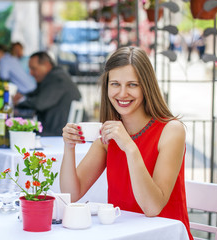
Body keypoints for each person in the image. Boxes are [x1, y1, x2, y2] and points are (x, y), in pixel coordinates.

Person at [60, 46, 193, 239]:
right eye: (115, 84)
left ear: (146, 86)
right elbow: (72, 194)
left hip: (163, 234)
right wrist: (69, 147)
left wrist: (130, 147)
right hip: (123, 234)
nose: (122, 93)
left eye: (132, 85)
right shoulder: (107, 136)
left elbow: (152, 207)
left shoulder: (171, 130)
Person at [14, 51, 82, 136]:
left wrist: (20, 102)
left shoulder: (57, 78)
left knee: (17, 133)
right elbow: (37, 93)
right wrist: (24, 96)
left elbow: (40, 103)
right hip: (55, 128)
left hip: (56, 131)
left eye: (33, 69)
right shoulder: (54, 75)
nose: (30, 73)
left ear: (46, 65)